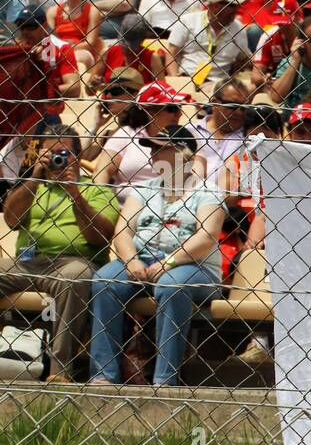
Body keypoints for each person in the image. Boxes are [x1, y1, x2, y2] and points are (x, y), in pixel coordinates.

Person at [88, 126, 224, 388]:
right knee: (105, 281)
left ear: (183, 153)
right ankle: (104, 374)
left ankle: (164, 379)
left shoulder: (209, 191)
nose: (152, 155)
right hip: (143, 259)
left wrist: (169, 262)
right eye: (152, 149)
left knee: (172, 286)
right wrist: (130, 260)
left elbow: (206, 236)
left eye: (160, 149)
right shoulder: (143, 190)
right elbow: (123, 231)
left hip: (193, 266)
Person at [0, 126, 118, 383]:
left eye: (63, 153)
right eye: (49, 152)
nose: (57, 158)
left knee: (75, 277)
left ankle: (59, 371)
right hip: (27, 263)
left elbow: (99, 237)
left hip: (73, 263)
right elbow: (11, 220)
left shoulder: (96, 189)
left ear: (77, 156)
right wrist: (34, 178)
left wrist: (75, 194)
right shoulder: (31, 186)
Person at [96, 81, 193, 187]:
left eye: (179, 107)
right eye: (172, 109)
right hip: (124, 201)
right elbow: (102, 171)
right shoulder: (127, 133)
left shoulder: (185, 137)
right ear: (149, 111)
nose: (179, 114)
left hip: (172, 199)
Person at [166, 0, 254, 93]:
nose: (236, 9)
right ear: (214, 5)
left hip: (219, 85)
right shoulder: (187, 21)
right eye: (231, 5)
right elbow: (172, 53)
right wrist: (175, 80)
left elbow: (245, 58)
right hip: (187, 78)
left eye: (237, 5)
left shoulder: (238, 29)